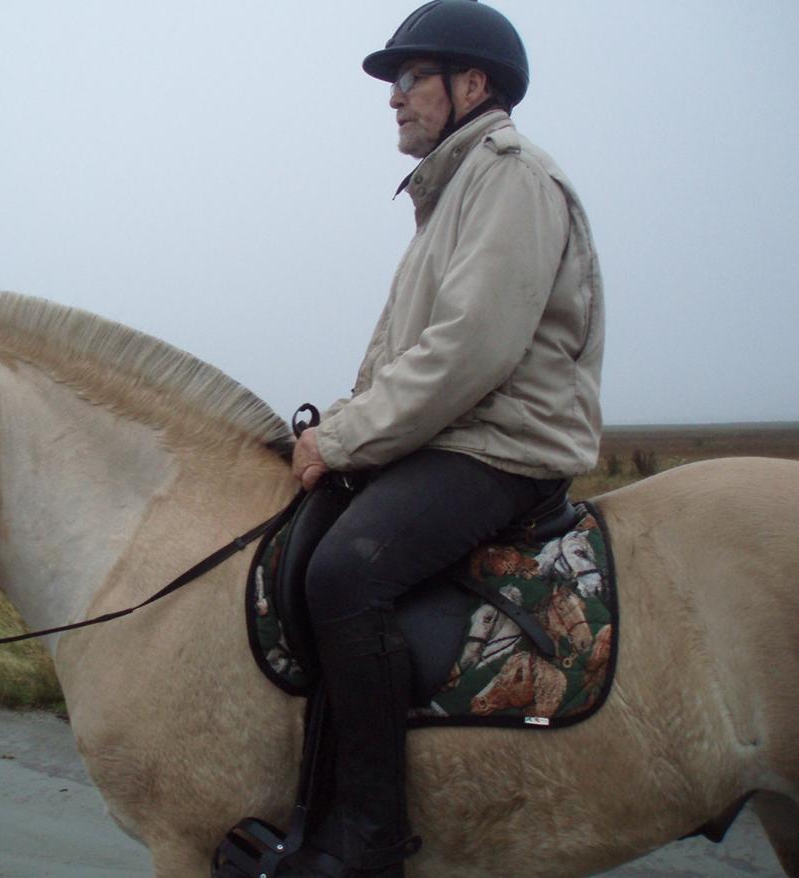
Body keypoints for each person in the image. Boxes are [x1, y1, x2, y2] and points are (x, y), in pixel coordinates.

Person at [285, 1, 604, 875]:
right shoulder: (456, 189)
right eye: (395, 81)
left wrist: (345, 441)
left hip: (504, 448)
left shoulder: (511, 178)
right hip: (461, 436)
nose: (394, 96)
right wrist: (348, 426)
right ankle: (305, 807)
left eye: (412, 76)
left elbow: (472, 349)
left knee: (348, 572)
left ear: (474, 84)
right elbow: (408, 350)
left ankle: (370, 841)